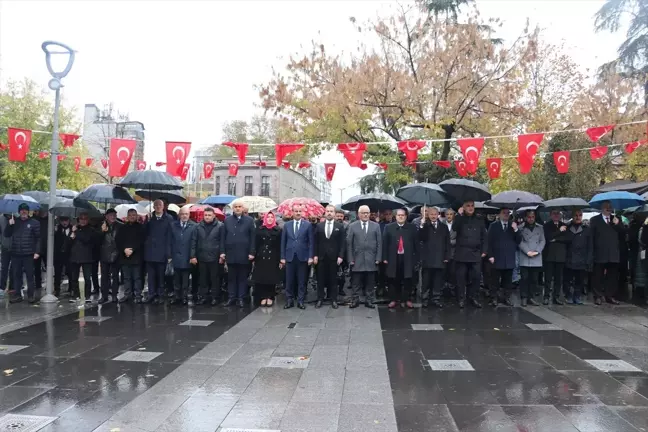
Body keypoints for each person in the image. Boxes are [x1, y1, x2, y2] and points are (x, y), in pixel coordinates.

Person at [220, 199, 256, 307]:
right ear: (233, 208)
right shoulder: (227, 220)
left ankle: (241, 298)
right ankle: (231, 298)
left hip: (244, 254)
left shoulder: (249, 220)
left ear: (243, 208)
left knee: (242, 278)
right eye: (236, 207)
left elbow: (252, 238)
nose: (238, 208)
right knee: (231, 278)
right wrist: (222, 252)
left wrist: (252, 252)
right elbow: (223, 237)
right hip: (231, 254)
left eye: (240, 207)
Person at [452, 201, 487, 308]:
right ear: (463, 207)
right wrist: (459, 215)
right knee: (461, 278)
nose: (470, 208)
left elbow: (484, 236)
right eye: (468, 206)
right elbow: (454, 228)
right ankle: (461, 298)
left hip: (475, 253)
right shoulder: (460, 218)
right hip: (462, 253)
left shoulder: (479, 219)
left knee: (476, 277)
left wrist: (484, 250)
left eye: (472, 206)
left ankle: (474, 298)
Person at [346, 205, 382, 309]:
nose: (366, 214)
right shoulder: (352, 226)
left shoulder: (376, 226)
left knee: (370, 282)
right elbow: (349, 244)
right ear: (359, 214)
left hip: (371, 259)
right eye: (363, 213)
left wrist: (378, 258)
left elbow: (379, 243)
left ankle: (369, 300)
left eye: (367, 213)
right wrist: (350, 258)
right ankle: (355, 300)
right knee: (356, 282)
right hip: (357, 259)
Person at [3, 205, 40, 303]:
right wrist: (9, 225)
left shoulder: (34, 223)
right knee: (16, 275)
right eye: (22, 210)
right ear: (19, 211)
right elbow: (7, 234)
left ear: (28, 212)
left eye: (25, 210)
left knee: (30, 275)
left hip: (28, 253)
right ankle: (17, 295)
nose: (23, 212)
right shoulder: (15, 222)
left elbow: (38, 238)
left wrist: (37, 251)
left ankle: (31, 295)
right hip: (16, 253)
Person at [589, 201, 624, 305]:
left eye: (610, 207)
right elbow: (592, 237)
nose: (608, 209)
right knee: (598, 275)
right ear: (602, 208)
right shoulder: (595, 220)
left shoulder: (616, 219)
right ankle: (598, 295)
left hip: (613, 252)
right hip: (600, 252)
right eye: (606, 207)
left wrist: (617, 224)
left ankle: (610, 295)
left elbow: (623, 233)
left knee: (612, 276)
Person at [281, 204, 314, 309]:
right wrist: (282, 257)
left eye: (300, 211)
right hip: (289, 256)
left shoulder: (308, 225)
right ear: (292, 212)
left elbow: (311, 242)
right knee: (289, 280)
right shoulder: (287, 225)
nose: (298, 213)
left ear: (302, 212)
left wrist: (310, 256)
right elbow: (283, 242)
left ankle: (300, 300)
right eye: (296, 211)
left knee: (301, 280)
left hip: (303, 257)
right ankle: (289, 300)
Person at [383, 208, 417, 309]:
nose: (401, 217)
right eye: (399, 215)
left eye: (403, 215)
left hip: (408, 257)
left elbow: (416, 244)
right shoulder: (389, 227)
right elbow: (385, 244)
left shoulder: (412, 227)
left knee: (408, 279)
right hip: (393, 257)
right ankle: (394, 299)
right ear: (395, 216)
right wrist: (384, 257)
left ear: (406, 217)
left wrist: (416, 258)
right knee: (393, 279)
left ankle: (407, 299)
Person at [313, 205, 345, 309]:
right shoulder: (319, 226)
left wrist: (341, 256)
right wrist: (315, 255)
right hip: (321, 257)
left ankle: (334, 299)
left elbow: (342, 243)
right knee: (320, 279)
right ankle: (320, 299)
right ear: (325, 213)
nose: (329, 213)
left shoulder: (339, 227)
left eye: (331, 211)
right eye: (327, 211)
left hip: (334, 257)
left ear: (334, 213)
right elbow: (315, 242)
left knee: (333, 279)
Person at [418, 207, 451, 308]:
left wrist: (446, 256)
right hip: (427, 258)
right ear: (428, 215)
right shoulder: (425, 226)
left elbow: (447, 243)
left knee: (438, 281)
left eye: (434, 214)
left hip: (440, 258)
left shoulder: (444, 227)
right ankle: (425, 299)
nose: (433, 216)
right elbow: (421, 238)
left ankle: (436, 299)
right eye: (431, 214)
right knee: (426, 281)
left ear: (438, 215)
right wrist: (422, 225)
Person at [143, 199, 173, 304]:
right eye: (156, 205)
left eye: (160, 205)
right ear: (154, 207)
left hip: (162, 252)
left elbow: (170, 237)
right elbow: (144, 233)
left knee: (161, 276)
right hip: (150, 252)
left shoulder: (169, 218)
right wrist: (146, 221)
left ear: (163, 206)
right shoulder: (149, 218)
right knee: (151, 276)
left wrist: (169, 254)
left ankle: (160, 295)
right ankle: (151, 294)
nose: (158, 207)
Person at [192, 206, 223, 306]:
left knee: (215, 278)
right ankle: (203, 297)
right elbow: (194, 242)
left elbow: (222, 242)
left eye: (209, 215)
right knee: (203, 279)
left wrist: (222, 255)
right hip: (202, 257)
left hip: (215, 257)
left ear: (214, 216)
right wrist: (193, 256)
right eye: (205, 215)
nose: (207, 217)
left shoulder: (220, 226)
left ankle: (215, 297)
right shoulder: (198, 226)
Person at [487, 208, 518, 307]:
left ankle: (506, 298)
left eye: (507, 213)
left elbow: (519, 240)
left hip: (509, 257)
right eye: (504, 213)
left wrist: (516, 230)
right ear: (499, 214)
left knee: (508, 281)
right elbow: (489, 242)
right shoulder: (493, 226)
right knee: (495, 281)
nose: (506, 214)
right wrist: (490, 255)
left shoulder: (512, 226)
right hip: (497, 257)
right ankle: (494, 298)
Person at [168, 206, 198, 306]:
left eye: (186, 214)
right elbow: (170, 241)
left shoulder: (194, 226)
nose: (184, 216)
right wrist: (169, 255)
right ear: (179, 215)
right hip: (176, 256)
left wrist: (192, 256)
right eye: (182, 214)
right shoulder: (173, 225)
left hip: (187, 257)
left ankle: (184, 297)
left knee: (185, 280)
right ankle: (177, 297)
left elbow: (194, 242)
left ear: (189, 215)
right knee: (176, 279)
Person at [252, 211, 283, 307]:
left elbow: (280, 245)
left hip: (273, 256)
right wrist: (253, 255)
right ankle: (263, 296)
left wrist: (281, 259)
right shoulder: (260, 229)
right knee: (262, 277)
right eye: (268, 217)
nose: (269, 219)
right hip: (261, 256)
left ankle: (270, 296)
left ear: (274, 219)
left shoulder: (278, 230)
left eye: (271, 217)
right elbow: (255, 243)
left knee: (271, 278)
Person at [116, 208, 145, 303]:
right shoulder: (122, 228)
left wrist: (132, 250)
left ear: (136, 216)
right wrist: (124, 249)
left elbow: (141, 241)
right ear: (127, 217)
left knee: (137, 277)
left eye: (134, 215)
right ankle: (127, 294)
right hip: (125, 256)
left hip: (136, 256)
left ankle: (138, 295)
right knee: (126, 277)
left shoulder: (141, 227)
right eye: (130, 215)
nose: (132, 217)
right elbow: (118, 240)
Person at [518, 210, 546, 307]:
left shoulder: (540, 228)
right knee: (524, 278)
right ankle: (524, 297)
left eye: (532, 217)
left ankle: (531, 297)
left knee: (534, 279)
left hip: (536, 257)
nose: (531, 219)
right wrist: (527, 252)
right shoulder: (520, 228)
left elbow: (542, 241)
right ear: (526, 217)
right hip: (525, 256)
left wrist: (537, 251)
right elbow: (519, 241)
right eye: (529, 217)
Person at [68, 212, 98, 303]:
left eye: (85, 219)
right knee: (74, 278)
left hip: (87, 257)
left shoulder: (91, 230)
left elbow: (86, 239)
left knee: (87, 278)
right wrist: (72, 234)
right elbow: (68, 243)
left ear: (87, 220)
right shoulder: (74, 229)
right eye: (81, 219)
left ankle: (87, 295)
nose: (83, 221)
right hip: (75, 256)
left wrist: (76, 232)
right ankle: (75, 295)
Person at [565, 209, 592, 305]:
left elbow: (590, 246)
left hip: (582, 259)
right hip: (570, 258)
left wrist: (588, 260)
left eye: (580, 215)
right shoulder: (567, 228)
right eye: (576, 215)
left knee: (579, 280)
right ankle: (568, 295)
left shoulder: (587, 229)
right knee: (568, 280)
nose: (578, 217)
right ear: (573, 216)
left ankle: (577, 295)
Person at [543, 210, 569, 305]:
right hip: (549, 255)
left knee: (559, 279)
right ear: (550, 215)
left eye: (558, 213)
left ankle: (556, 297)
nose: (556, 215)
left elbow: (567, 239)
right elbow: (548, 237)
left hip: (560, 256)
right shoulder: (547, 225)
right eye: (554, 213)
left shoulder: (565, 225)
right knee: (548, 278)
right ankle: (546, 296)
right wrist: (559, 231)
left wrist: (556, 239)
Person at [99, 208, 121, 304]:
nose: (113, 217)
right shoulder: (101, 225)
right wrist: (102, 232)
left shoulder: (120, 226)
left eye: (114, 215)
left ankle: (114, 295)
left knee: (115, 276)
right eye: (111, 215)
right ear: (106, 216)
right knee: (104, 276)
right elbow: (97, 240)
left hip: (116, 253)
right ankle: (104, 296)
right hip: (104, 254)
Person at [53, 216, 73, 297]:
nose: (64, 222)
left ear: (69, 220)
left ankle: (72, 289)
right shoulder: (57, 228)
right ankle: (57, 289)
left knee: (70, 273)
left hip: (69, 254)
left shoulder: (73, 229)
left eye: (66, 220)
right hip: (58, 255)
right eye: (62, 221)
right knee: (57, 273)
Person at [33, 209, 48, 292]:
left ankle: (49, 285)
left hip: (47, 247)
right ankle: (38, 284)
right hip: (37, 248)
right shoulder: (35, 219)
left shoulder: (50, 220)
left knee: (48, 267)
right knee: (36, 268)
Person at [0, 214, 13, 295]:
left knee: (14, 268)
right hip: (5, 246)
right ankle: (2, 287)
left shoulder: (16, 218)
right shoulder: (1, 219)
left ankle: (12, 287)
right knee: (4, 267)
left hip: (15, 247)